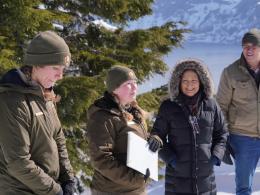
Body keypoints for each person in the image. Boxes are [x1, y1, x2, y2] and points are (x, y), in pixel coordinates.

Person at [0, 31, 76, 195]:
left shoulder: (46, 96)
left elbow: (58, 139)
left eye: (63, 69)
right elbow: (18, 162)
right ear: (36, 63)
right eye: (55, 67)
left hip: (45, 189)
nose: (60, 75)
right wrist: (55, 191)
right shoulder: (12, 101)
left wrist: (68, 179)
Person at [148, 59, 229, 195]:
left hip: (206, 181)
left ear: (202, 82)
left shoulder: (211, 105)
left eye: (194, 81)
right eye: (185, 81)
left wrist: (215, 157)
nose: (189, 85)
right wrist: (172, 160)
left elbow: (222, 134)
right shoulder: (168, 106)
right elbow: (157, 135)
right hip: (177, 180)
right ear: (178, 82)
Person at [86, 65, 150, 195]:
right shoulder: (102, 117)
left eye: (135, 82)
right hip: (113, 191)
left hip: (135, 189)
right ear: (115, 88)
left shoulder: (133, 111)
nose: (134, 87)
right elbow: (101, 159)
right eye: (128, 84)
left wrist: (152, 139)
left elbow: (131, 142)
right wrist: (134, 178)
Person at [216, 28, 260, 195]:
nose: (249, 50)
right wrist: (223, 136)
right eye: (245, 46)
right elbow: (220, 107)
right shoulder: (230, 72)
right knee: (243, 188)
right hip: (242, 137)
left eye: (253, 46)